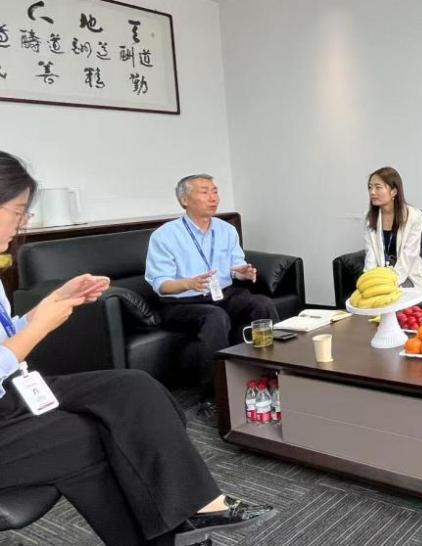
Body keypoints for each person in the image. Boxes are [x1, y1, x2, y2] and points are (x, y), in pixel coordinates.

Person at [0, 152, 274, 546]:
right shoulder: (167, 235)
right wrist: (42, 325)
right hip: (7, 399)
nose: (22, 223)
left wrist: (50, 303)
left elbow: (7, 335)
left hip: (12, 388)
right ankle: (173, 533)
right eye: (18, 211)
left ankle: (201, 506)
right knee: (95, 435)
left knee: (136, 388)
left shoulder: (225, 231)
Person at [145, 174, 278, 401]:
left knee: (261, 304)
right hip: (182, 301)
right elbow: (160, 284)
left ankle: (269, 373)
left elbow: (234, 266)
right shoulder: (165, 235)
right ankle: (216, 394)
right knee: (215, 317)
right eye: (204, 192)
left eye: (215, 191)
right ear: (184, 200)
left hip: (222, 294)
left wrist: (242, 272)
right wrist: (188, 283)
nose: (213, 197)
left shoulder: (226, 230)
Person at [363, 166, 422, 292]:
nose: (372, 192)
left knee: (395, 298)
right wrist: (368, 282)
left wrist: (390, 283)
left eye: (378, 187)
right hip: (381, 278)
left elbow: (409, 255)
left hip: (407, 277)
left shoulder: (414, 216)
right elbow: (371, 254)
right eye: (370, 187)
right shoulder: (369, 217)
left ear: (394, 192)